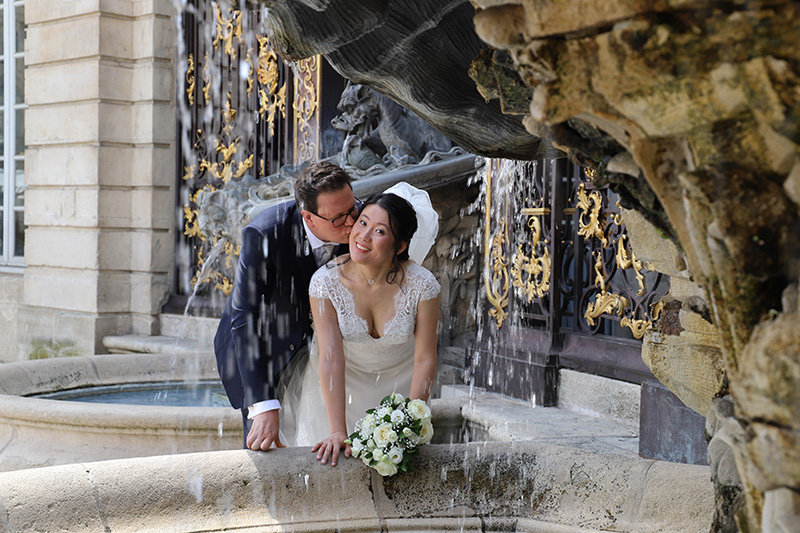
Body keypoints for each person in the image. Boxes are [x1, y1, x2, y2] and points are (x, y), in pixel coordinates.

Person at [280, 186, 441, 467]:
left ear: (400, 246)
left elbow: (425, 357)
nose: (363, 236)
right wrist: (337, 431)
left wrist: (412, 422)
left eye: (379, 231)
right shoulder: (324, 283)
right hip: (335, 392)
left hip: (399, 389)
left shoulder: (423, 285)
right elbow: (330, 357)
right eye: (363, 223)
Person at [214, 161, 360, 452]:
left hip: (332, 352)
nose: (352, 223)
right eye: (339, 218)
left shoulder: (359, 221)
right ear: (308, 217)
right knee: (267, 447)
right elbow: (246, 318)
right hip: (268, 350)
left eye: (353, 208)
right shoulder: (265, 233)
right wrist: (263, 404)